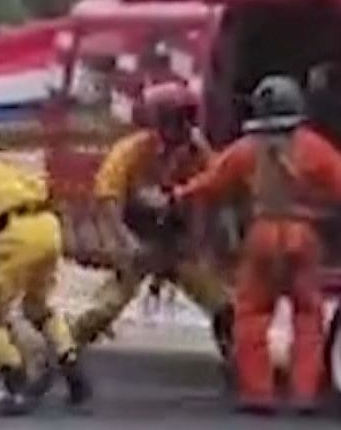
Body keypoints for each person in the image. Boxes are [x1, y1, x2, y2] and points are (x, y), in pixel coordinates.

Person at [174, 75, 341, 415]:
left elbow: (213, 181)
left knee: (253, 315)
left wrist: (179, 194)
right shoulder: (315, 147)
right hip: (303, 237)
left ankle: (258, 393)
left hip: (262, 237)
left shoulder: (247, 149)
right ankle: (305, 393)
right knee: (307, 315)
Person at [72, 82, 233, 352]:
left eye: (187, 119)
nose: (184, 127)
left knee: (222, 304)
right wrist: (124, 242)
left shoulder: (197, 152)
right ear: (160, 121)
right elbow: (108, 196)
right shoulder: (131, 151)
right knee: (105, 308)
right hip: (140, 241)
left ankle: (233, 349)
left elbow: (219, 184)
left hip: (176, 244)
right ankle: (65, 349)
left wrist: (207, 237)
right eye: (177, 120)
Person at [0, 149, 88, 416]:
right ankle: (72, 366)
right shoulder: (5, 168)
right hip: (49, 228)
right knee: (38, 307)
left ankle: (15, 384)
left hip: (15, 235)